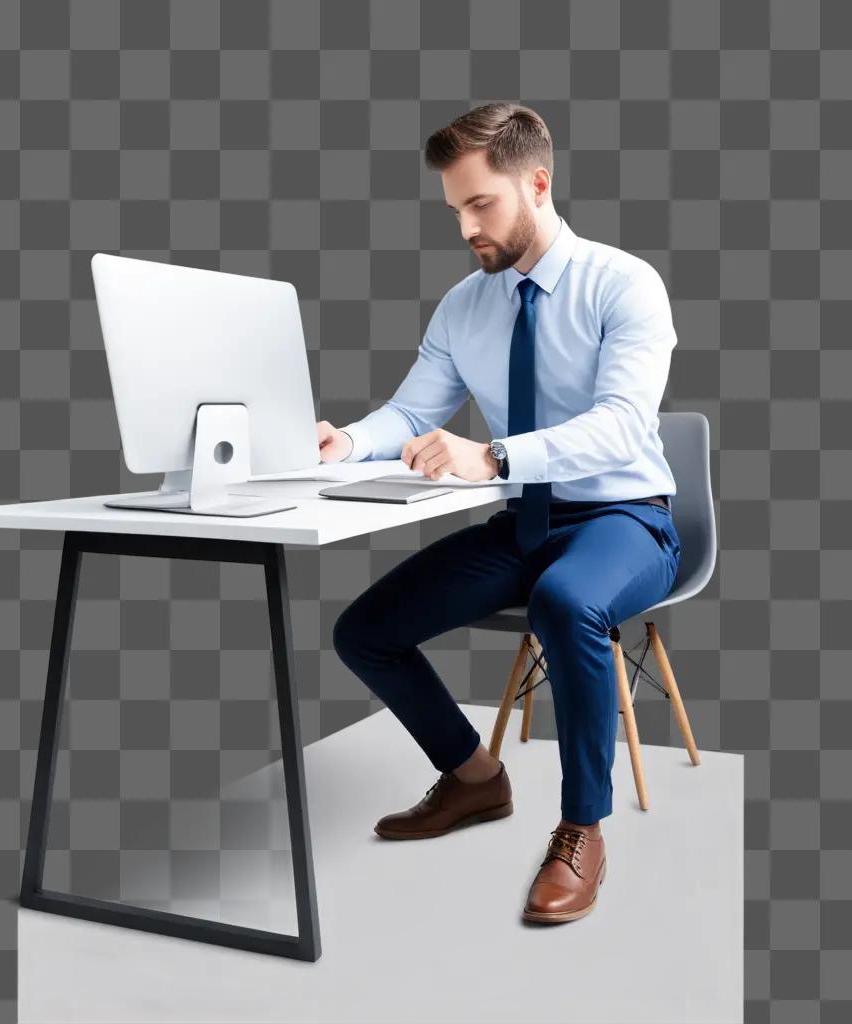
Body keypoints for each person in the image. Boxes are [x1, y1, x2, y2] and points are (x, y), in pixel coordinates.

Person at [317, 102, 681, 924]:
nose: (466, 228)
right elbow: (410, 414)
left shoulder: (624, 285)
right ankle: (475, 779)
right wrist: (344, 443)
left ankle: (582, 827)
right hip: (521, 526)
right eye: (455, 209)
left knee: (566, 602)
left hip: (627, 520)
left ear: (538, 183)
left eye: (481, 204)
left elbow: (623, 425)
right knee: (363, 631)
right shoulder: (464, 305)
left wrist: (497, 456)